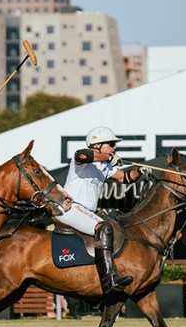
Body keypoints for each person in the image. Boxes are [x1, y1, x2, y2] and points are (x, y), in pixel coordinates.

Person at [54, 125, 140, 294]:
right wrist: (108, 158)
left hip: (85, 212)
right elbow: (82, 154)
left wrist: (141, 170)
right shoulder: (81, 160)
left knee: (109, 225)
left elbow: (125, 178)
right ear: (97, 144)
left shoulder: (104, 167)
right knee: (104, 227)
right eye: (111, 144)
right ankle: (109, 278)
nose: (114, 148)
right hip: (71, 207)